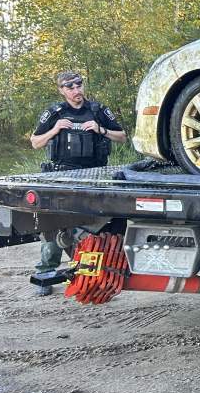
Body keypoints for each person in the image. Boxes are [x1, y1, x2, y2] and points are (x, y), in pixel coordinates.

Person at [27, 71, 127, 295]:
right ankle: (46, 273)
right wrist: (55, 129)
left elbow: (122, 136)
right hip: (60, 175)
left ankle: (87, 274)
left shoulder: (97, 110)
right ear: (62, 90)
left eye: (79, 85)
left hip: (94, 175)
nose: (76, 90)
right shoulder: (55, 112)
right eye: (69, 87)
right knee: (53, 225)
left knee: (93, 226)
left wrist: (100, 129)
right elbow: (35, 142)